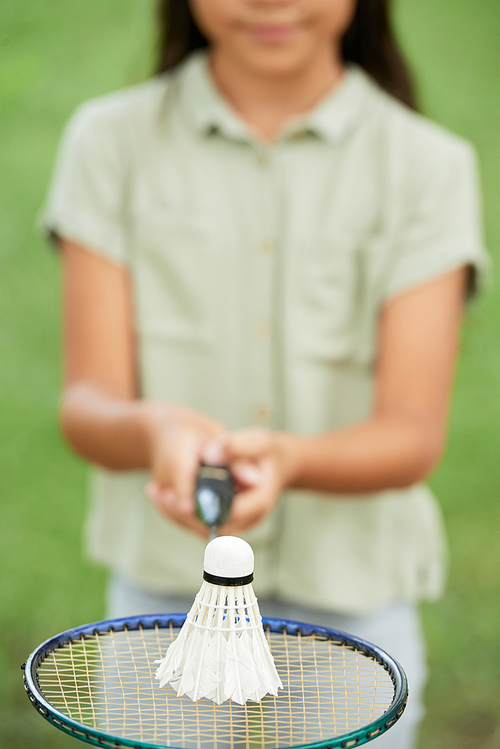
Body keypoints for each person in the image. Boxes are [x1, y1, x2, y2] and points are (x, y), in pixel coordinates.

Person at [43, 0, 487, 746]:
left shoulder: (428, 166)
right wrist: (157, 428)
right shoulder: (109, 141)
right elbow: (88, 403)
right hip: (164, 596)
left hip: (355, 598)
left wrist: (291, 458)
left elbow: (412, 433)